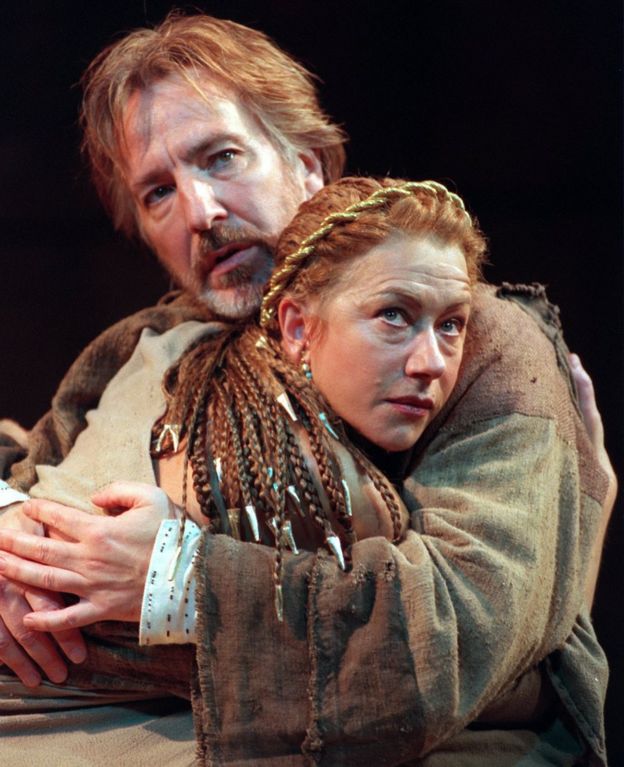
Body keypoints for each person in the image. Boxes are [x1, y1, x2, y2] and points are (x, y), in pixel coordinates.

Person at [0, 12, 614, 766]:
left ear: (310, 164)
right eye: (158, 192)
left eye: (221, 157)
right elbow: (26, 460)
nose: (201, 212)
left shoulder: (473, 337)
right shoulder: (142, 342)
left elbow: (464, 640)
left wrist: (174, 584)